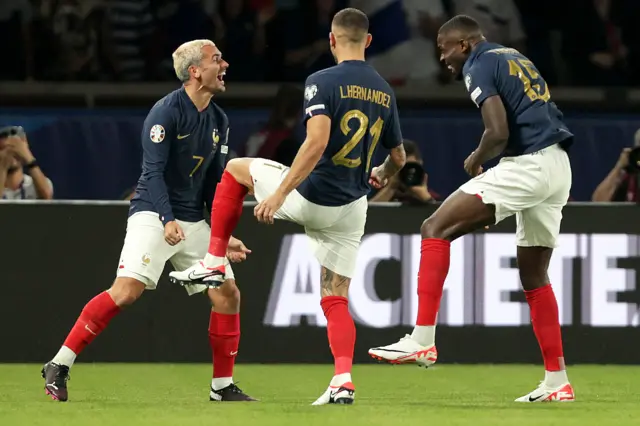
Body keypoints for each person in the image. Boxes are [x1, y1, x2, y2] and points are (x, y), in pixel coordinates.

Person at [169, 7, 407, 405]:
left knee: (235, 170)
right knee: (335, 297)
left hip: (313, 196)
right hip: (352, 207)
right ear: (367, 41)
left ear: (332, 40)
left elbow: (315, 143)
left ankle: (212, 259)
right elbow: (398, 157)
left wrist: (278, 195)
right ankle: (342, 381)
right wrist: (380, 172)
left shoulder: (322, 80)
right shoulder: (384, 90)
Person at [368, 15, 576, 403]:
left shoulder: (478, 63)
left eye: (444, 48)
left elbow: (496, 132)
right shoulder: (513, 55)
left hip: (528, 164)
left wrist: (477, 156)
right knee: (534, 275)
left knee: (435, 227)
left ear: (463, 44)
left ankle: (422, 339)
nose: (443, 58)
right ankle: (557, 380)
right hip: (558, 166)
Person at [41, 39, 256, 403]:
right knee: (126, 292)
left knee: (228, 295)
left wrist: (223, 235)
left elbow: (213, 185)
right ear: (195, 71)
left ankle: (221, 387)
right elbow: (152, 172)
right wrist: (166, 218)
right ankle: (59, 365)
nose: (225, 65)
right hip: (153, 212)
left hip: (190, 219)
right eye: (216, 59)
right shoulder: (166, 112)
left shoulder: (219, 120)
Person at [0, 127, 54, 200]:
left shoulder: (35, 184)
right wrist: (2, 167)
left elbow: (46, 198)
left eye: (15, 148)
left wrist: (28, 157)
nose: (11, 153)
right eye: (3, 148)